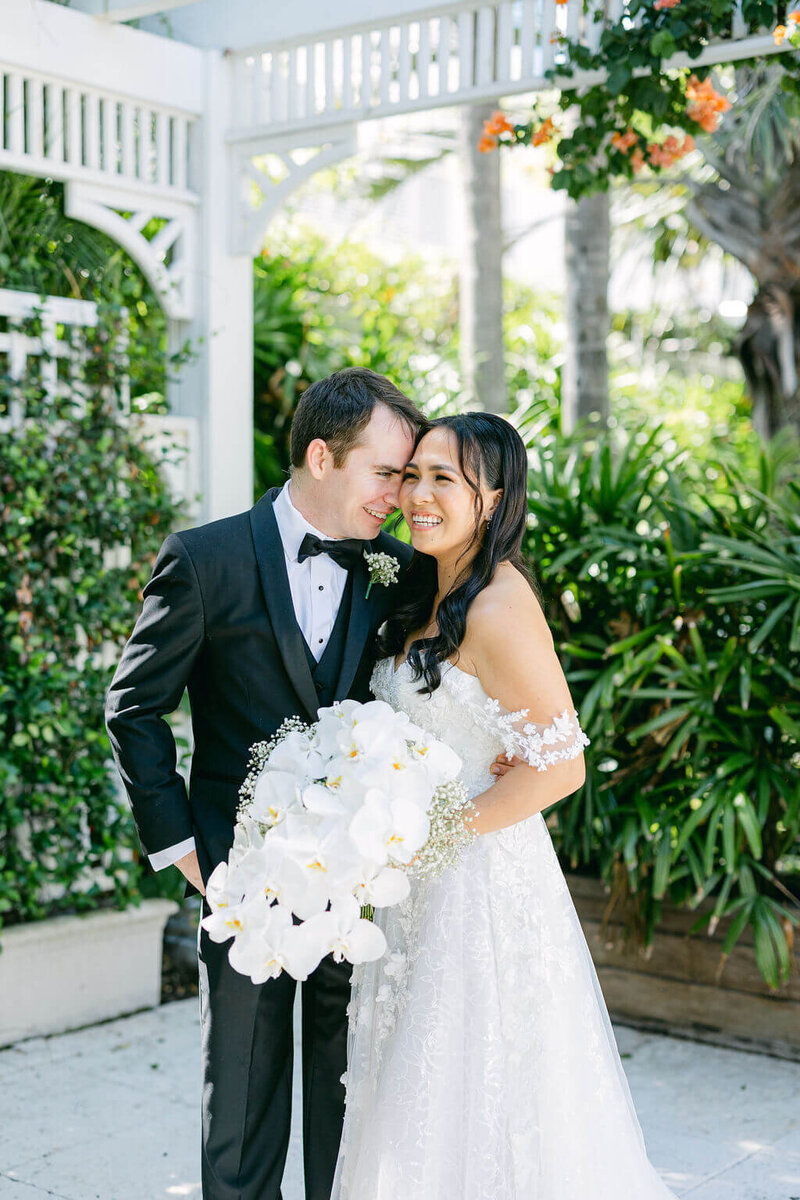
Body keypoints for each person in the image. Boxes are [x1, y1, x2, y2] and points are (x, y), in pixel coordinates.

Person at [331, 412, 679, 1200]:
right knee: (412, 1086)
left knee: (476, 1087)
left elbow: (561, 769)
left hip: (474, 887)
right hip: (412, 884)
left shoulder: (497, 604)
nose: (417, 493)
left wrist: (429, 838)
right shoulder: (426, 586)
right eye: (412, 474)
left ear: (491, 500)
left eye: (442, 479)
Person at [105, 368, 425, 1200]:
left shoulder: (398, 569)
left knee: (345, 1082)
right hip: (238, 874)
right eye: (385, 472)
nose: (398, 495)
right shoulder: (204, 559)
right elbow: (135, 708)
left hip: (358, 883)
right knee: (242, 1089)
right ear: (322, 455)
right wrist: (186, 851)